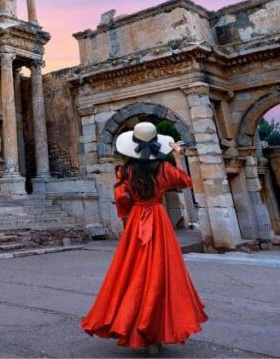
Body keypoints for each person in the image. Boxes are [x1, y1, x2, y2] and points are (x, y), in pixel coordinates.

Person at [81, 121, 207, 354]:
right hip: (158, 220)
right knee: (162, 271)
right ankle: (157, 334)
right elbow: (185, 182)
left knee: (133, 272)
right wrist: (178, 157)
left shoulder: (125, 171)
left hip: (138, 219)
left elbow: (121, 199)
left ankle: (136, 326)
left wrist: (131, 206)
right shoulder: (164, 169)